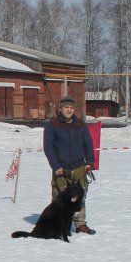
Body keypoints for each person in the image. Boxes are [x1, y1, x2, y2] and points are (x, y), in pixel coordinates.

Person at [43, 95, 96, 235]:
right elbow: (48, 147)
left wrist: (90, 162)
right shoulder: (52, 125)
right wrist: (56, 166)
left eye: (72, 108)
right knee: (59, 197)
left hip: (79, 167)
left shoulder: (80, 125)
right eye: (66, 107)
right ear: (60, 109)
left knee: (80, 196)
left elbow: (88, 143)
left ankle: (80, 224)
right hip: (61, 169)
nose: (69, 110)